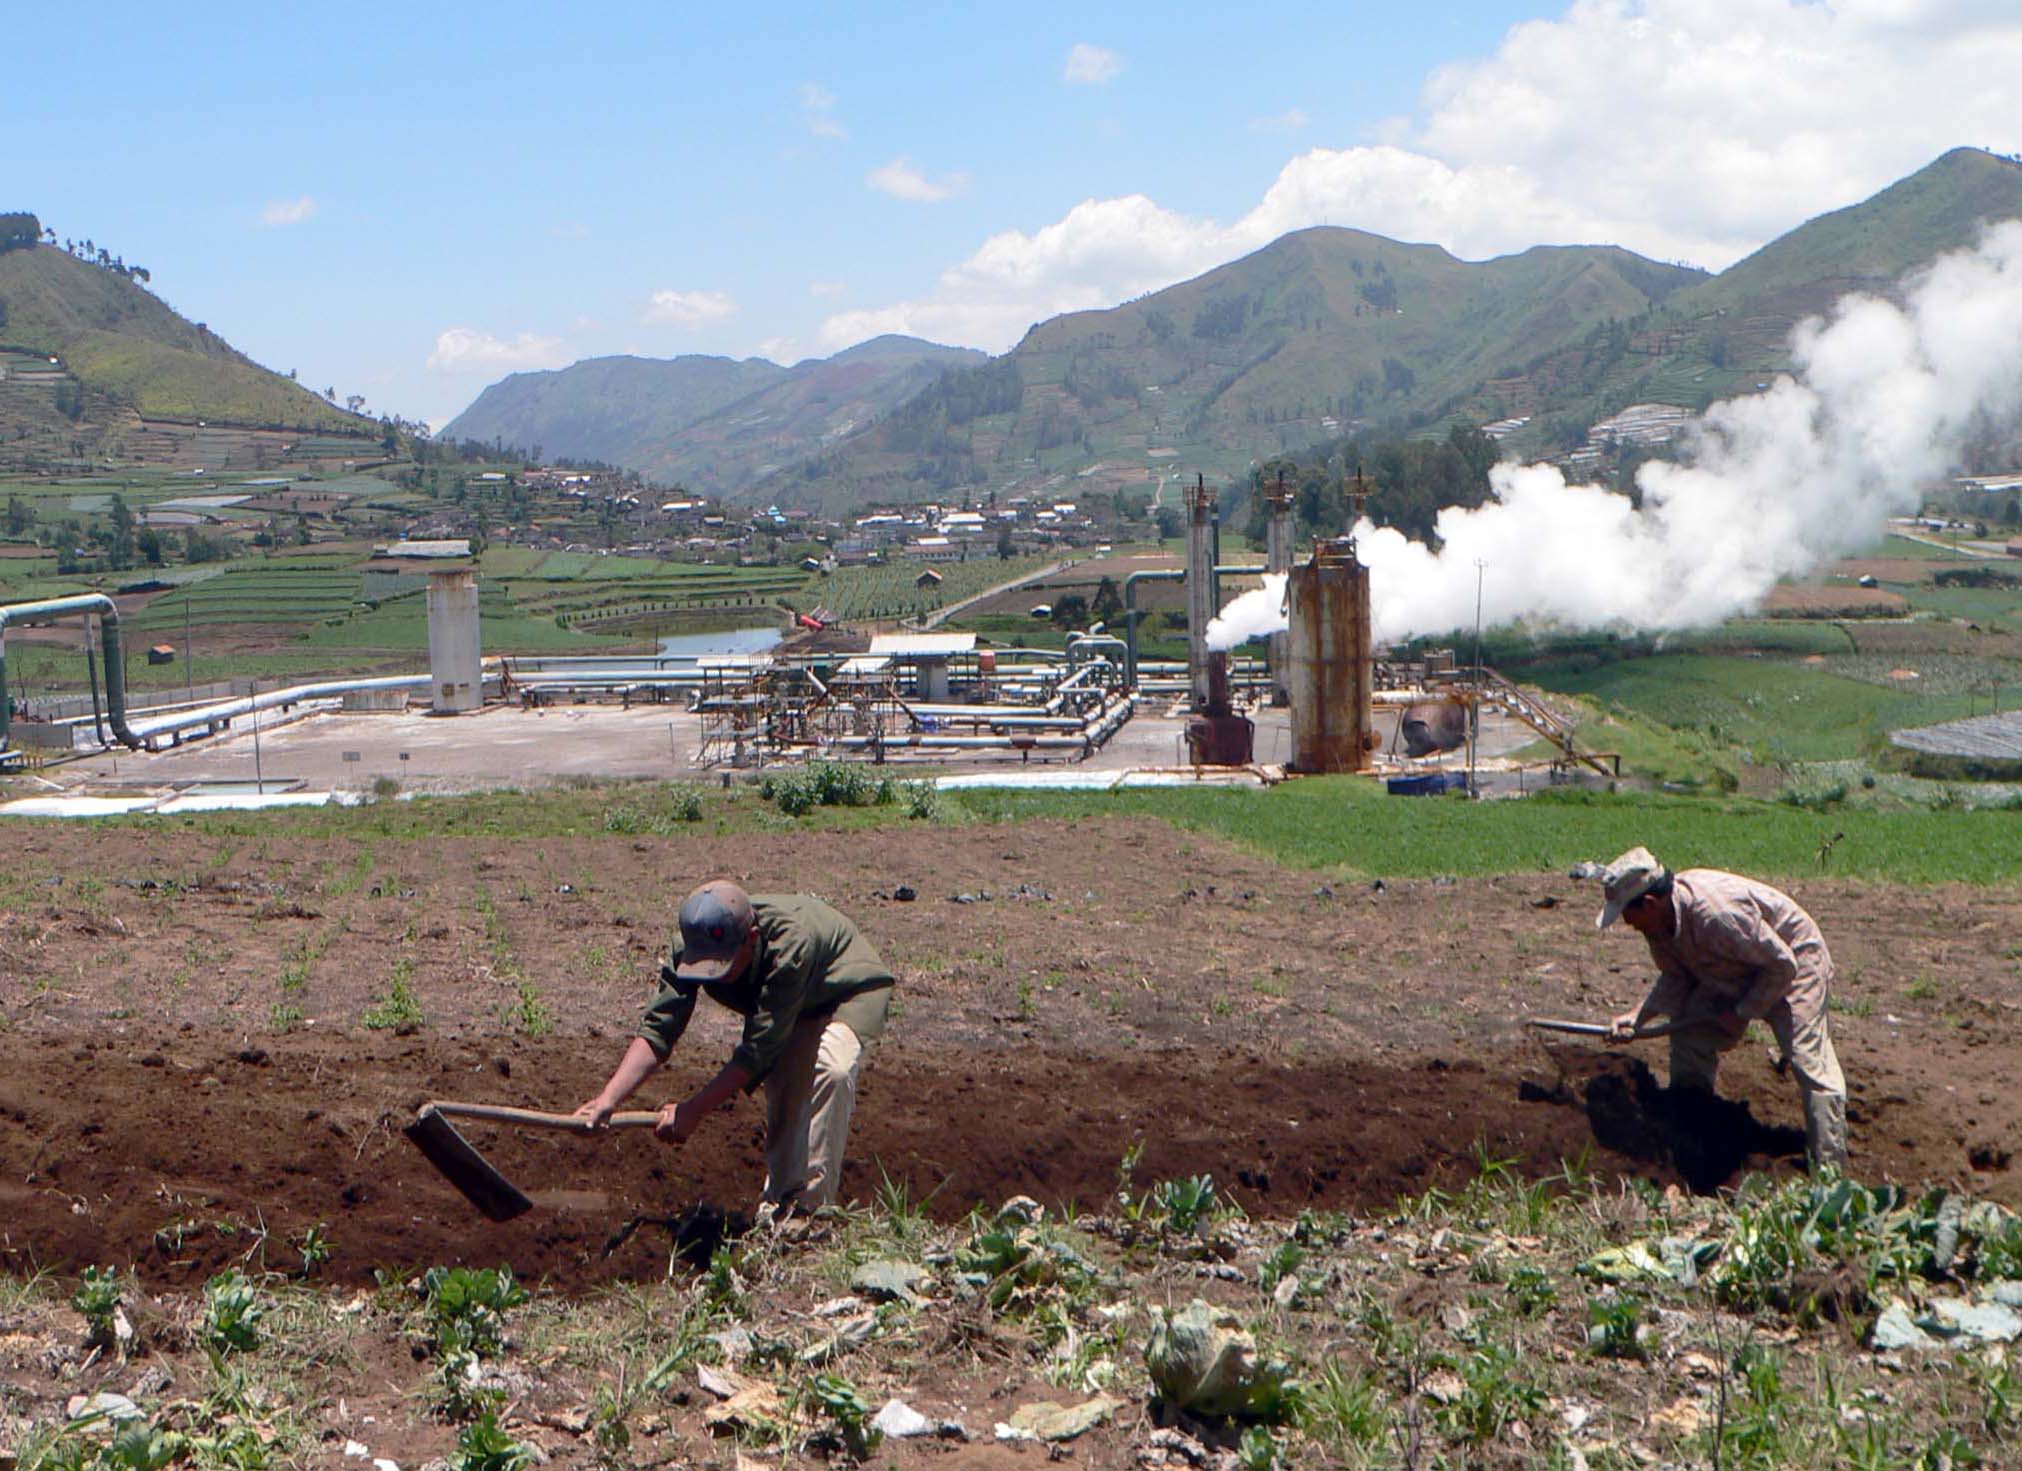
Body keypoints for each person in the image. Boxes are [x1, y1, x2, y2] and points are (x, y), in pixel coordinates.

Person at [575, 880, 895, 1215]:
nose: (712, 976)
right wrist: (608, 1099)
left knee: (831, 1068)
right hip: (792, 1004)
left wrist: (693, 1110)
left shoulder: (789, 945)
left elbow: (757, 1050)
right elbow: (660, 1028)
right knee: (786, 1084)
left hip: (844, 988)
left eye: (722, 966)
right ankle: (780, 1205)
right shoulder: (692, 944)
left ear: (752, 938)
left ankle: (812, 1212)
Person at [1595, 846, 1848, 1173]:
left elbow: (1782, 965)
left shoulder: (1718, 914)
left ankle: (1829, 1170)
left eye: (1627, 913)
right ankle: (1692, 1130)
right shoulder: (1658, 925)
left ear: (1649, 903)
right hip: (1731, 968)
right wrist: (1638, 1016)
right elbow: (1675, 976)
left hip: (1794, 964)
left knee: (1807, 1059)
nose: (1627, 923)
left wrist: (1744, 1010)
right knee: (1690, 1036)